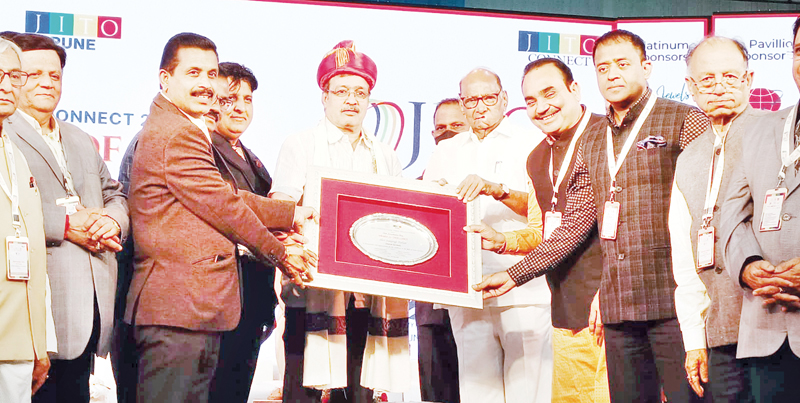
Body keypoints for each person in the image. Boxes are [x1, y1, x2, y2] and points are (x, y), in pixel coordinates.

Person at [125, 32, 315, 403]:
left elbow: (225, 196)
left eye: (211, 75)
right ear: (166, 79)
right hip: (177, 310)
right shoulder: (176, 132)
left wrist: (291, 212)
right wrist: (282, 254)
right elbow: (224, 206)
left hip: (194, 311)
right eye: (193, 73)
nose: (205, 84)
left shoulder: (183, 127)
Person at [270, 40, 407, 403]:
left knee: (360, 393)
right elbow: (282, 209)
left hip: (366, 294)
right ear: (324, 96)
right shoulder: (300, 144)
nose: (351, 100)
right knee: (304, 391)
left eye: (360, 92)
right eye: (341, 90)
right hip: (313, 289)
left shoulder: (385, 156)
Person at [580, 30, 708, 403]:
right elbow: (579, 222)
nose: (612, 74)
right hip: (619, 307)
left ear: (646, 67)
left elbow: (712, 204)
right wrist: (516, 271)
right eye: (602, 68)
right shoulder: (591, 138)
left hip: (676, 304)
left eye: (622, 64)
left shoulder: (684, 118)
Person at [1, 33, 128, 403]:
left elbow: (114, 193)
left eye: (54, 76)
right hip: (34, 313)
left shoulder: (78, 136)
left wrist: (112, 221)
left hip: (88, 310)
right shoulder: (4, 130)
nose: (46, 83)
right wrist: (67, 227)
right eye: (32, 74)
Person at [473, 58, 609, 403]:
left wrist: (612, 290)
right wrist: (502, 241)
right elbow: (541, 229)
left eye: (550, 94)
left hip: (608, 310)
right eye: (531, 100)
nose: (541, 107)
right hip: (565, 307)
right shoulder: (537, 157)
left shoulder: (606, 138)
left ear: (575, 89)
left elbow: (592, 230)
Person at [424, 68, 552, 403]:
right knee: (478, 394)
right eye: (472, 100)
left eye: (489, 98)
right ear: (462, 105)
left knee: (530, 393)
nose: (481, 106)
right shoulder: (445, 152)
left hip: (524, 287)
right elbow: (427, 215)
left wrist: (497, 190)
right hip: (466, 290)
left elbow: (546, 211)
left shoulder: (534, 142)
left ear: (504, 100)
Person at [669, 36, 764, 402]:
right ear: (691, 87)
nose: (719, 87)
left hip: (775, 322)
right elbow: (684, 257)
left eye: (730, 76)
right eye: (707, 80)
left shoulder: (777, 133)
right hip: (719, 332)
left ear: (749, 79)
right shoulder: (688, 158)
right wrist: (694, 340)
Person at [720, 16, 800, 403]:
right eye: (799, 51)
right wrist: (749, 266)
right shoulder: (760, 129)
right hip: (767, 326)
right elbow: (732, 215)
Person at [208, 62, 278, 403]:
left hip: (252, 300)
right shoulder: (201, 149)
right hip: (219, 299)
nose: (239, 107)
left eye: (247, 99)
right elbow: (231, 207)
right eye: (229, 98)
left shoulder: (253, 158)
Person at [0, 36, 51, 403]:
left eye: (14, 76)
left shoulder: (18, 156)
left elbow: (35, 260)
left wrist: (39, 344)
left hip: (17, 344)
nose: (6, 86)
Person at [415, 97, 466, 403]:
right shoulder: (417, 185)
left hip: (478, 310)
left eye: (457, 126)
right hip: (431, 311)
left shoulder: (488, 181)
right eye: (440, 128)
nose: (447, 133)